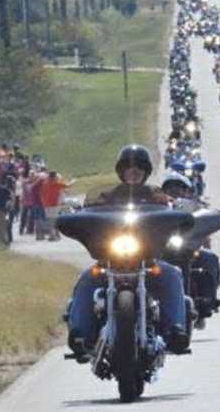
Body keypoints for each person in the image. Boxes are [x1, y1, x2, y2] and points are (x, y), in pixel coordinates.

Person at [66, 145, 189, 360]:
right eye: (129, 167)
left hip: (148, 259)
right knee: (87, 278)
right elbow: (89, 214)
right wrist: (76, 216)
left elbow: (172, 212)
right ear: (121, 171)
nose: (134, 171)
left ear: (146, 171)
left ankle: (176, 330)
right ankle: (80, 335)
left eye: (139, 167)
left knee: (172, 275)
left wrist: (179, 215)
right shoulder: (106, 197)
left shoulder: (157, 197)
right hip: (110, 259)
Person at [160, 171, 220, 311]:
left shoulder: (195, 206)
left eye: (179, 187)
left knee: (209, 257)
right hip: (162, 250)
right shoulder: (158, 207)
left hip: (188, 247)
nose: (174, 190)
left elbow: (206, 225)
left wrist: (202, 243)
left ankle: (208, 299)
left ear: (186, 191)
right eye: (170, 187)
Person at [39, 170, 73, 241]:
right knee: (53, 220)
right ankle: (52, 236)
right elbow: (68, 186)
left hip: (46, 205)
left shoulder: (45, 184)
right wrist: (72, 181)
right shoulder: (56, 184)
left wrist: (43, 202)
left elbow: (41, 194)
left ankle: (54, 235)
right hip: (54, 205)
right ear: (54, 177)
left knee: (50, 220)